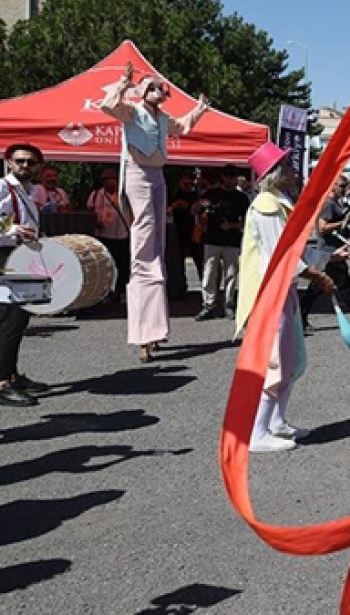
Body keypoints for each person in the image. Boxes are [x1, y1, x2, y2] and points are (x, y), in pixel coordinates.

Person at [100, 62, 210, 362]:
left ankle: (155, 328)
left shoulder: (163, 118)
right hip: (137, 172)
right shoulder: (132, 111)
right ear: (141, 91)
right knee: (144, 247)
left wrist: (199, 109)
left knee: (156, 248)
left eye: (160, 88)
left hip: (157, 176)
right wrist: (123, 81)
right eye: (151, 87)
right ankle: (144, 332)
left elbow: (184, 127)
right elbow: (108, 107)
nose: (158, 91)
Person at [235, 142, 333, 452]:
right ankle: (257, 432)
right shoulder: (266, 205)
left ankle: (276, 422)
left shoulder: (278, 202)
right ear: (276, 174)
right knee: (276, 361)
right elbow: (282, 254)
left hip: (282, 290)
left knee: (293, 360)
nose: (294, 171)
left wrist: (332, 259)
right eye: (289, 166)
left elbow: (296, 252)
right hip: (269, 294)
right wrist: (316, 275)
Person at [0, 144, 52, 407]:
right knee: (10, 321)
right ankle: (2, 383)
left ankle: (11, 374)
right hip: (4, 258)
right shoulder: (2, 187)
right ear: (9, 162)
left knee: (19, 320)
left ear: (38, 166)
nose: (24, 166)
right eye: (19, 161)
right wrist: (13, 231)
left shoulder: (29, 191)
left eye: (31, 163)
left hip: (19, 257)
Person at [299, 176, 350, 333]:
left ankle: (299, 319)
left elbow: (343, 228)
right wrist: (343, 222)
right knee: (345, 287)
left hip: (333, 252)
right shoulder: (328, 204)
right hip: (328, 252)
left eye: (345, 185)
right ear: (332, 186)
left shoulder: (337, 204)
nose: (344, 188)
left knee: (316, 288)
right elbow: (322, 227)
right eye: (341, 185)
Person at [194, 167, 250, 321]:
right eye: (228, 176)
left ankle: (228, 303)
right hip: (212, 238)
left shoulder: (241, 198)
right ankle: (209, 304)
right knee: (209, 272)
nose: (230, 179)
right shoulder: (212, 194)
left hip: (232, 240)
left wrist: (231, 226)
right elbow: (196, 212)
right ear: (222, 177)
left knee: (231, 274)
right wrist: (201, 208)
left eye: (233, 176)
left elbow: (247, 221)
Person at [85, 167, 131, 300]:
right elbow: (89, 212)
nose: (111, 183)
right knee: (105, 267)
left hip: (122, 235)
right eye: (107, 180)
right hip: (103, 236)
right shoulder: (95, 195)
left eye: (113, 180)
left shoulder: (124, 195)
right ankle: (105, 293)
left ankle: (120, 291)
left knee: (124, 267)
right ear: (103, 182)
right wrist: (95, 222)